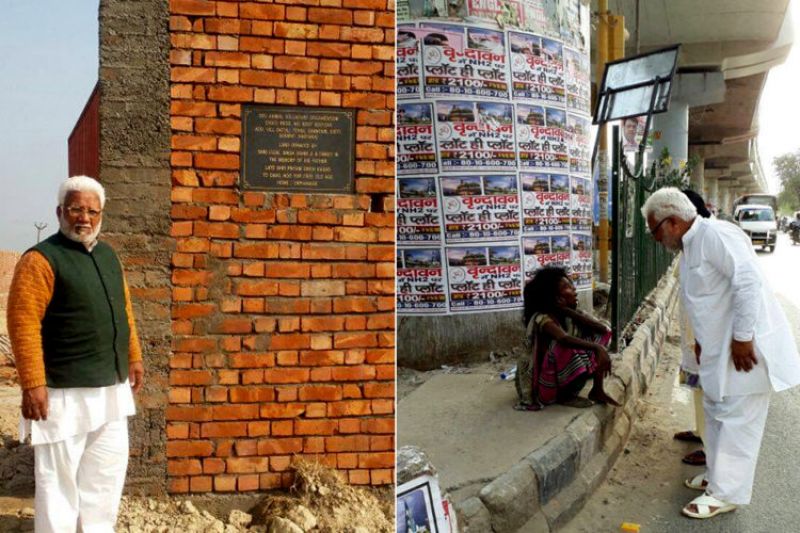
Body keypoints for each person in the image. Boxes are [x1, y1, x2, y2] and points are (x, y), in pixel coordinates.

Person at [641, 187, 800, 520]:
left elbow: (747, 283)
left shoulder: (716, 235)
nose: (655, 239)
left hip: (744, 350)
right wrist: (700, 338)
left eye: (655, 230)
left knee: (737, 420)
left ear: (672, 222)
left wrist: (743, 338)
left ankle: (727, 493)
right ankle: (717, 476)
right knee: (716, 412)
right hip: (716, 349)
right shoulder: (690, 246)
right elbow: (705, 299)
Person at [7, 175, 144, 532]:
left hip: (110, 391)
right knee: (58, 482)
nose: (84, 218)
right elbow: (23, 324)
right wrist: (33, 383)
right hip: (62, 392)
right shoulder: (41, 260)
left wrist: (133, 355)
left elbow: (123, 308)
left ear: (101, 215)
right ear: (60, 212)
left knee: (105, 476)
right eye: (76, 210)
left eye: (92, 212)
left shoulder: (108, 255)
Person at [514, 266, 619, 410]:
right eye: (567, 287)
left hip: (560, 377)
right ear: (556, 297)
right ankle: (565, 396)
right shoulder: (542, 318)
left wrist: (566, 310)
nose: (574, 289)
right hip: (543, 387)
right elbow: (563, 339)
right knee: (564, 347)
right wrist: (597, 348)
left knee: (594, 333)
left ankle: (597, 390)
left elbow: (602, 330)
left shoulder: (568, 314)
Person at [673, 189, 711, 467]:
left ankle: (710, 447)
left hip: (705, 333)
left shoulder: (708, 242)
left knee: (709, 390)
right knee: (699, 388)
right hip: (693, 331)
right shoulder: (689, 245)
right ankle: (700, 432)